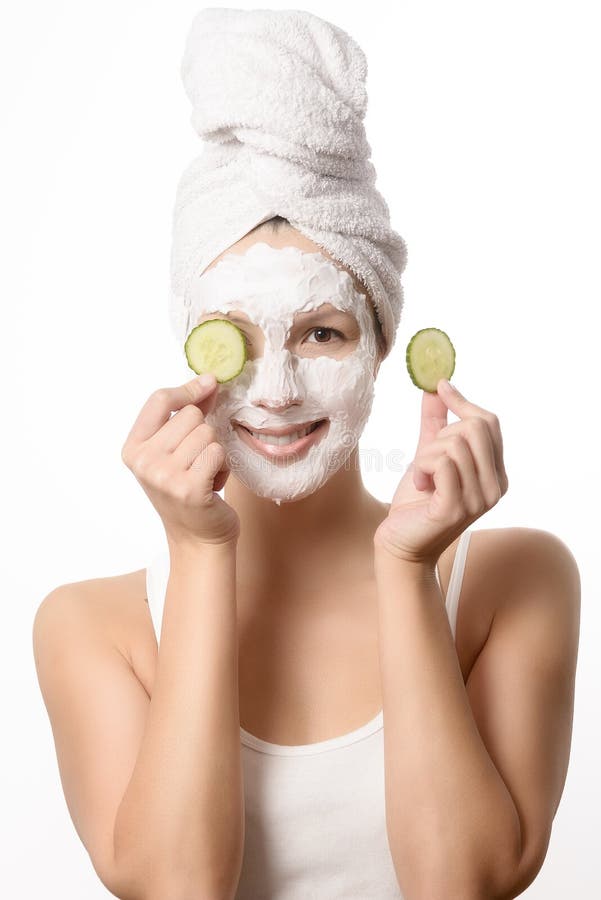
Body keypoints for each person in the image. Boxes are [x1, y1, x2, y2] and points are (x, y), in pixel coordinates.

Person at [32, 10, 581, 900]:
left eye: (320, 332)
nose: (278, 390)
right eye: (232, 341)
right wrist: (202, 551)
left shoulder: (514, 580)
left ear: (381, 338)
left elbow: (462, 884)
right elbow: (181, 888)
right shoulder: (91, 628)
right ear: (188, 351)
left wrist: (408, 568)